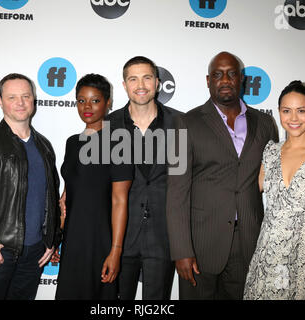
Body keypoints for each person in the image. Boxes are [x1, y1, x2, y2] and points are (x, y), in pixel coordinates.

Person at [166, 51, 279, 300]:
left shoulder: (265, 124)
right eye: (217, 74)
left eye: (231, 73)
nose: (225, 79)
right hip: (200, 244)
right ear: (208, 81)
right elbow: (176, 191)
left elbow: (277, 179)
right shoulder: (186, 123)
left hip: (248, 242)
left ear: (242, 79)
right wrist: (181, 250)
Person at [0, 73, 60, 300]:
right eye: (12, 97)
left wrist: (51, 240)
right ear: (0, 100)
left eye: (26, 96)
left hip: (34, 253)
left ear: (33, 99)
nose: (20, 103)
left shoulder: (44, 146)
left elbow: (51, 197)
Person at [243, 80, 305, 300]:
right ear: (279, 112)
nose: (293, 118)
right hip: (270, 253)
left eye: (301, 111)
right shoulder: (269, 151)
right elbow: (250, 188)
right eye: (286, 111)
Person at [106, 56, 180, 299]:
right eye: (133, 78)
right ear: (125, 84)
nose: (141, 84)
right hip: (119, 237)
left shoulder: (179, 123)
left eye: (147, 77)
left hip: (163, 236)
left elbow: (185, 183)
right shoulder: (107, 125)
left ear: (158, 83)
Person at [55, 74, 133, 299]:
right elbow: (67, 196)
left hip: (100, 240)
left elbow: (120, 200)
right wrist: (58, 238)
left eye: (95, 100)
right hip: (72, 240)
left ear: (108, 102)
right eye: (81, 100)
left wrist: (115, 251)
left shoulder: (119, 141)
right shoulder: (72, 142)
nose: (87, 106)